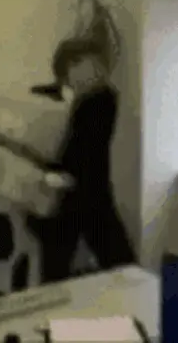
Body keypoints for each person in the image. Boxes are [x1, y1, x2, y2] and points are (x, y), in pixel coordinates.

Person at [26, 39, 136, 284]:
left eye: (74, 68)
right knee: (57, 274)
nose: (71, 79)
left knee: (122, 269)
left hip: (87, 195)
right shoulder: (85, 100)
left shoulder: (99, 100)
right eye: (67, 74)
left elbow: (80, 154)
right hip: (76, 195)